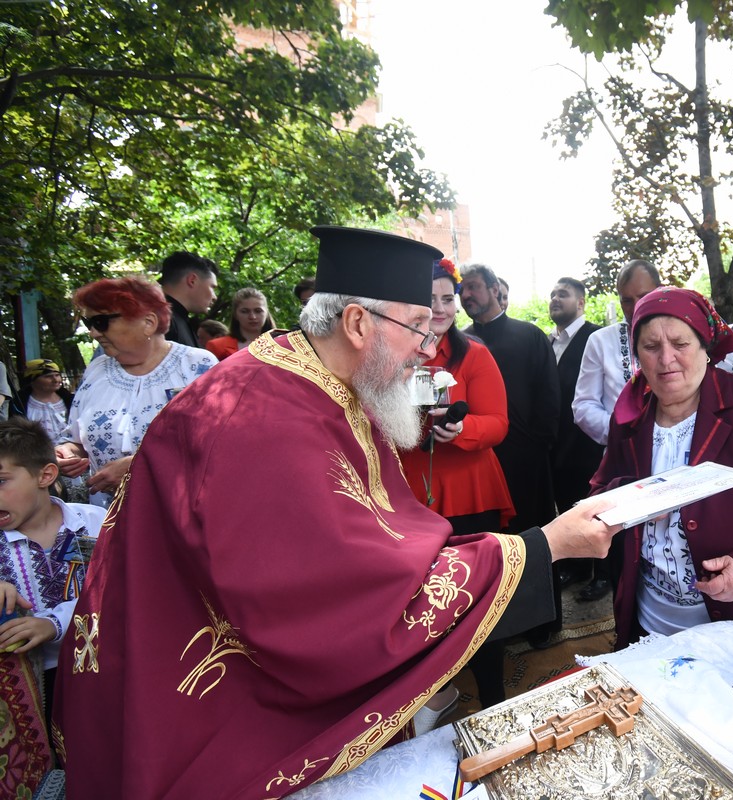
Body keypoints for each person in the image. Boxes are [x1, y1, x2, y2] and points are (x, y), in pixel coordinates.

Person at [54, 226, 619, 799]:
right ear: (356, 324)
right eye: (418, 328)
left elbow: (380, 538)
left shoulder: (320, 380)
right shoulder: (266, 422)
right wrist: (545, 545)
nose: (428, 349)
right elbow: (340, 602)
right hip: (210, 704)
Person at [591, 286, 733, 649]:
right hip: (652, 615)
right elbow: (602, 489)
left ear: (705, 347)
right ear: (637, 355)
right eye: (651, 347)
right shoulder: (631, 415)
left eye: (680, 344)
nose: (666, 359)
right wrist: (623, 504)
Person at [397, 258, 516, 712]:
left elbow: (499, 423)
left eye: (448, 298)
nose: (442, 308)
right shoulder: (389, 354)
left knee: (482, 596)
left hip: (471, 490)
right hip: (411, 494)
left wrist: (459, 432)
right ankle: (428, 700)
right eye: (430, 300)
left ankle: (492, 698)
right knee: (420, 602)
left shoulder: (476, 355)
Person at [0, 418, 105, 792]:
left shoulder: (97, 523)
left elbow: (119, 591)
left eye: (1, 481)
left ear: (45, 475)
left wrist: (55, 622)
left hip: (98, 674)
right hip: (26, 693)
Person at [55, 276, 216, 507]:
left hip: (179, 513)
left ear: (148, 322)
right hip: (108, 518)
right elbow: (78, 439)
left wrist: (138, 467)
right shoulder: (97, 371)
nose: (92, 333)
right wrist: (68, 452)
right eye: (88, 323)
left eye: (100, 322)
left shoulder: (196, 365)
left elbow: (217, 443)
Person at [571, 260, 662, 601]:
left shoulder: (680, 334)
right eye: (626, 299)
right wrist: (623, 434)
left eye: (644, 295)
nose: (635, 307)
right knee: (625, 551)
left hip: (675, 462)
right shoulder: (601, 341)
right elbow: (583, 406)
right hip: (622, 463)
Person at [461, 264, 559, 533]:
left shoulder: (530, 336)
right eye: (462, 289)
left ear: (494, 289)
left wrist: (538, 446)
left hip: (526, 457)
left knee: (533, 533)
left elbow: (549, 396)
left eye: (473, 287)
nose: (465, 294)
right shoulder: (461, 343)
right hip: (477, 458)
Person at [548, 277, 606, 600]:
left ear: (581, 303)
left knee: (594, 508)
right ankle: (579, 566)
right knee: (568, 506)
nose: (556, 299)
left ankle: (603, 574)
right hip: (558, 445)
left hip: (590, 443)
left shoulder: (594, 337)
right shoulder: (548, 341)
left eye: (564, 294)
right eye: (553, 294)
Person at [159, 250, 219, 348]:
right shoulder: (161, 320)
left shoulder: (177, 320)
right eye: (212, 287)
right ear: (192, 280)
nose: (214, 297)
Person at [204, 286, 278, 360]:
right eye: (245, 311)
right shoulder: (217, 346)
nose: (252, 317)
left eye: (258, 311)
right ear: (235, 314)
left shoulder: (282, 344)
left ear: (266, 313)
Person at [16, 359, 73, 442]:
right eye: (48, 376)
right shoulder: (19, 405)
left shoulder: (71, 401)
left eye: (57, 375)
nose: (55, 380)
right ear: (32, 380)